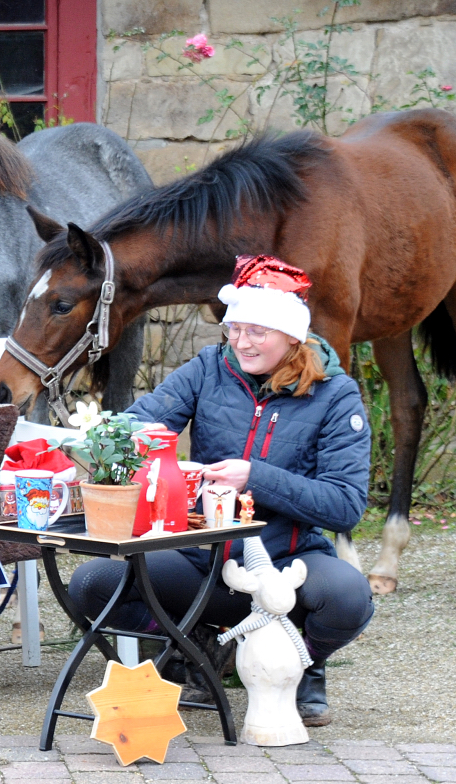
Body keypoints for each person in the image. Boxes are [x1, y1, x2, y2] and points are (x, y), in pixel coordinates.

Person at [67, 255, 374, 727]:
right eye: (234, 328)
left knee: (349, 596)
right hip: (202, 556)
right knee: (91, 586)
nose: (240, 341)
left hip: (286, 564)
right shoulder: (208, 368)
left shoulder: (336, 395)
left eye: (257, 331)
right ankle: (202, 651)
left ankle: (299, 667)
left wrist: (255, 476)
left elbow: (345, 506)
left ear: (292, 336)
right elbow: (142, 423)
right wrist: (89, 446)